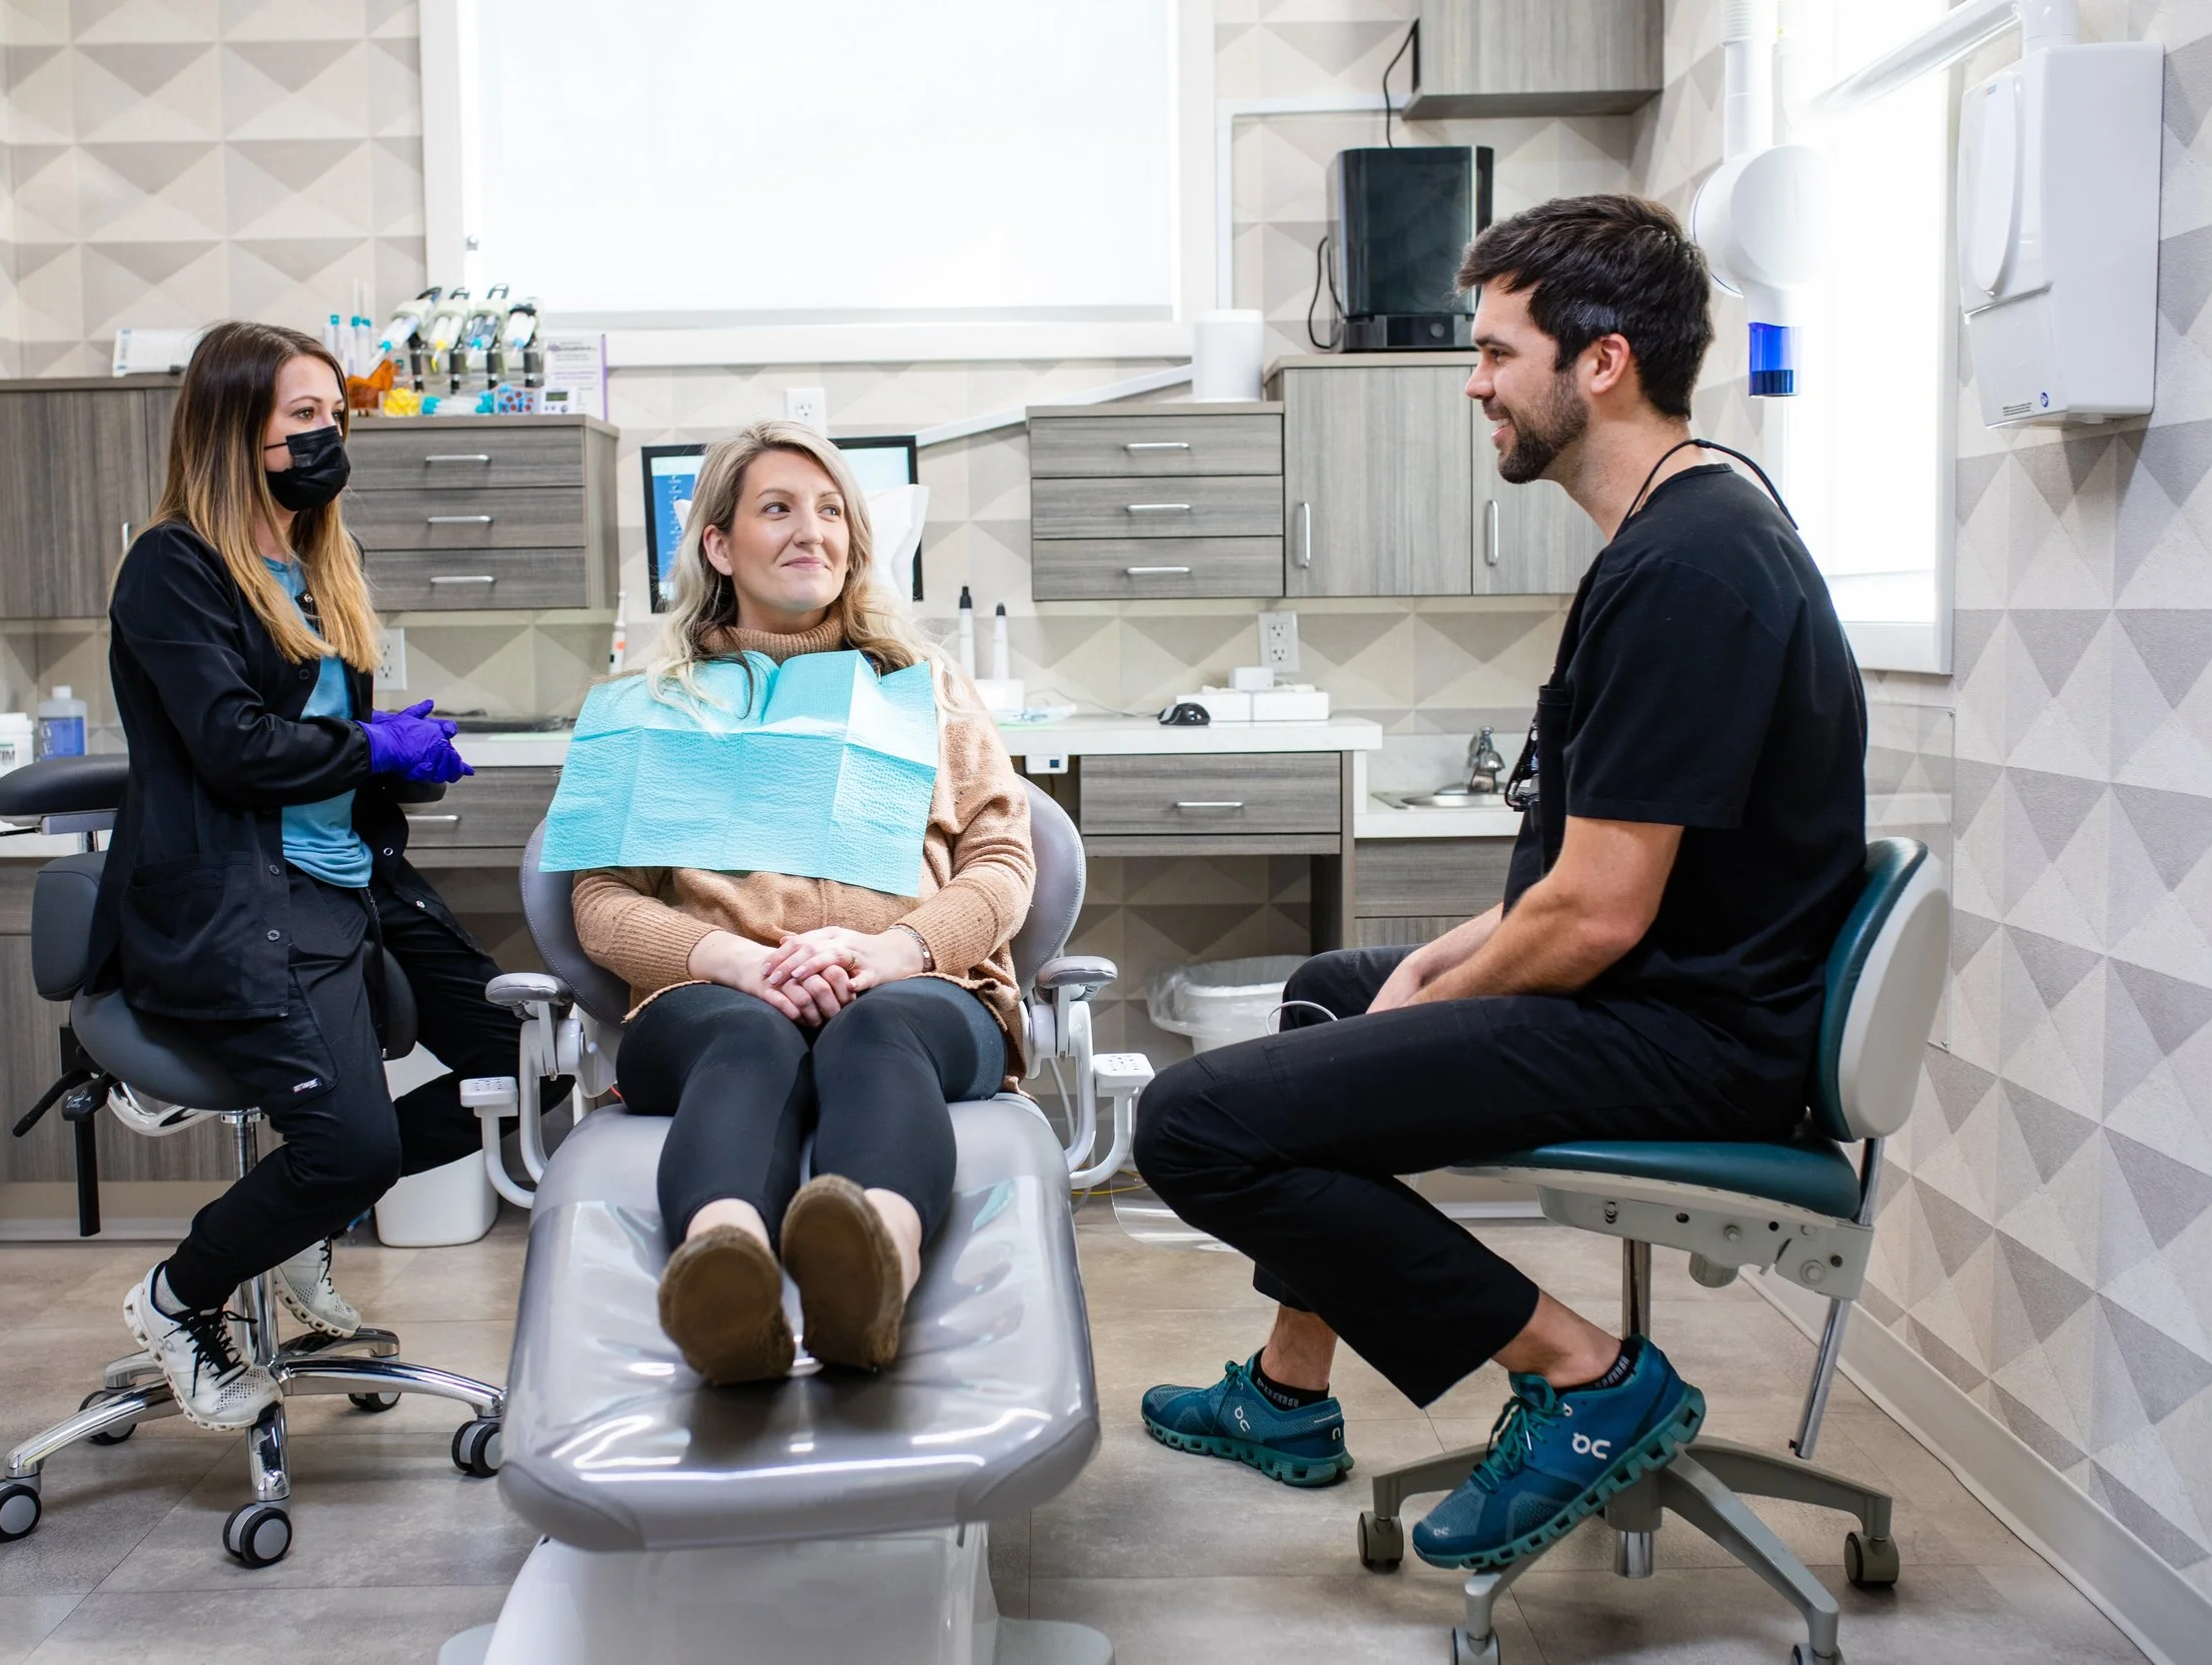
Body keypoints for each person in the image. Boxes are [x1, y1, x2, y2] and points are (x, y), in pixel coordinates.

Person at [1132, 195, 1868, 1572]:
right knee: (1327, 986)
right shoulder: (1678, 526)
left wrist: (1439, 993)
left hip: (1695, 1041)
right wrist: (1421, 971)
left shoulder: (1690, 570)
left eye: (1494, 350)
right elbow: (1577, 865)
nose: (1473, 381)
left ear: (1602, 362)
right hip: (1675, 997)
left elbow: (1596, 913)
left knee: (1191, 1125)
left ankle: (1588, 1376)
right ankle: (1292, 1390)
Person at [94, 320, 559, 1429]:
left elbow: (316, 749)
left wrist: (392, 753)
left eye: (333, 417)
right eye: (302, 416)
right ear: (231, 427)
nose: (327, 435)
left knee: (535, 1064)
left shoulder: (313, 567)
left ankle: (300, 1218)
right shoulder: (174, 567)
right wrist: (371, 745)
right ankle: (178, 1295)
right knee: (347, 1144)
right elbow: (233, 745)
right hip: (248, 903)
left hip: (355, 885)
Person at [569, 420, 1032, 1385]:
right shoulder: (656, 701)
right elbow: (602, 903)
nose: (809, 532)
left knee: (879, 1029)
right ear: (717, 544)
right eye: (776, 509)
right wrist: (732, 961)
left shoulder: (928, 687)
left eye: (831, 512)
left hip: (918, 990)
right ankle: (725, 1277)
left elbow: (1001, 864)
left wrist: (898, 950)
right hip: (718, 999)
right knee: (747, 1037)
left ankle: (875, 1275)